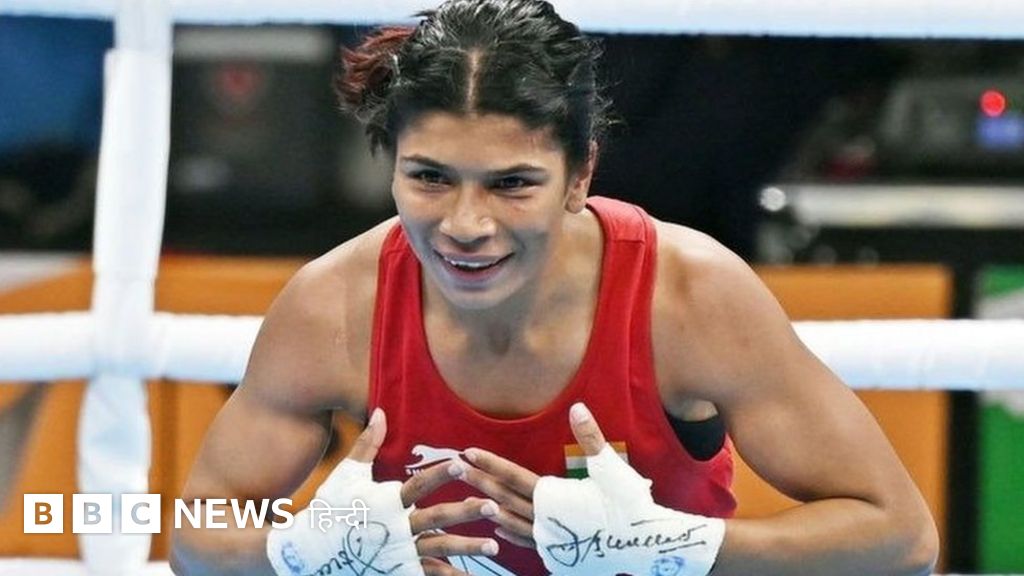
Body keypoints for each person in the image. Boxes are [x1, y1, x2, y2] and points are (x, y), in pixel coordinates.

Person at [169, 1, 939, 575]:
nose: (465, 225)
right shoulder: (334, 307)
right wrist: (303, 553)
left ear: (580, 176)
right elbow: (197, 538)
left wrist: (672, 548)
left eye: (512, 184)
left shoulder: (687, 297)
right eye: (430, 177)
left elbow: (900, 536)